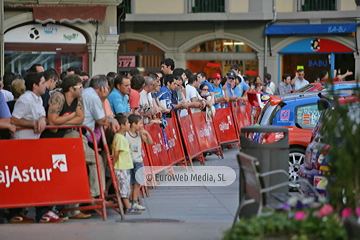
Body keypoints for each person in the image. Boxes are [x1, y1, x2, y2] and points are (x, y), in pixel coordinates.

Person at [11, 72, 62, 223]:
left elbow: (42, 115)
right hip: (22, 144)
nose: (46, 85)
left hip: (33, 143)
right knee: (25, 180)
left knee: (37, 179)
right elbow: (14, 118)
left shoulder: (38, 98)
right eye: (42, 82)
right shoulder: (25, 99)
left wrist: (41, 119)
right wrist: (33, 124)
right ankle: (19, 213)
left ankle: (38, 212)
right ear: (35, 85)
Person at [82, 75, 120, 206]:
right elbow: (101, 120)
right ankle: (97, 196)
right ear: (102, 87)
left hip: (86, 135)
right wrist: (112, 120)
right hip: (85, 136)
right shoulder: (94, 97)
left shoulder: (86, 92)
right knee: (97, 161)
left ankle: (98, 195)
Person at [112, 113, 141, 215]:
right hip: (121, 167)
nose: (129, 125)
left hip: (125, 166)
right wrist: (112, 165)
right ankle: (128, 207)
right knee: (123, 188)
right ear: (122, 126)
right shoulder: (119, 138)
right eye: (127, 123)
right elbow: (116, 154)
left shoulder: (121, 137)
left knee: (126, 187)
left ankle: (127, 205)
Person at [126, 114, 153, 210]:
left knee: (137, 183)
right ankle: (129, 202)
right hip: (128, 162)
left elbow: (150, 142)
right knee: (129, 183)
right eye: (140, 123)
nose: (142, 125)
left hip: (138, 161)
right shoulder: (126, 135)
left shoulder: (139, 134)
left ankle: (135, 202)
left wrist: (146, 133)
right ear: (133, 124)